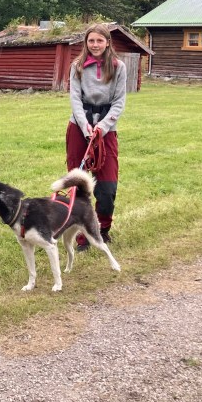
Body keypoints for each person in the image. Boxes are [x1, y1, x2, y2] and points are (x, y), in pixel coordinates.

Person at [66, 23, 126, 249]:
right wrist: (85, 126)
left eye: (100, 41)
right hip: (79, 128)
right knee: (79, 182)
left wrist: (103, 126)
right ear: (86, 43)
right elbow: (74, 99)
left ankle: (103, 228)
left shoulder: (118, 67)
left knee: (107, 186)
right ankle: (83, 234)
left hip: (106, 130)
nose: (95, 45)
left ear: (107, 42)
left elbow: (119, 101)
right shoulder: (77, 66)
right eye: (91, 41)